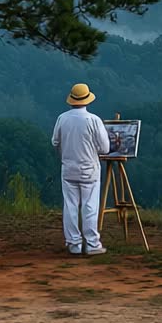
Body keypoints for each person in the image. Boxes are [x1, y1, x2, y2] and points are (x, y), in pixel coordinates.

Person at [51, 82, 111, 255]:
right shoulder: (93, 120)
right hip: (89, 170)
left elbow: (55, 141)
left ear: (71, 100)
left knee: (70, 206)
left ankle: (74, 244)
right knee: (90, 206)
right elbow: (105, 148)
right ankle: (92, 244)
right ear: (87, 100)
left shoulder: (62, 118)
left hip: (68, 168)